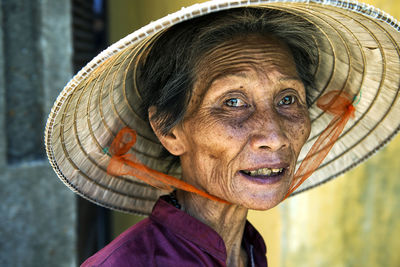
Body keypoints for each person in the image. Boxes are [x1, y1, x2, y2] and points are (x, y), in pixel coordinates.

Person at [45, 1, 400, 266]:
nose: (274, 136)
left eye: (288, 98)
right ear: (169, 131)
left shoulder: (249, 251)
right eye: (233, 101)